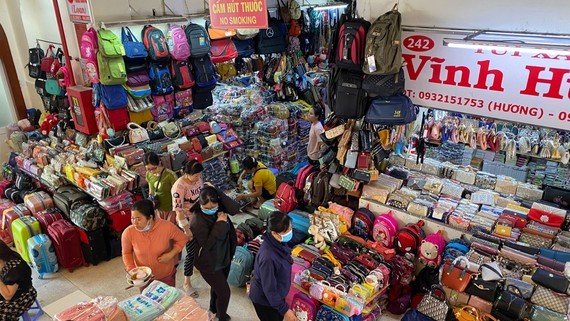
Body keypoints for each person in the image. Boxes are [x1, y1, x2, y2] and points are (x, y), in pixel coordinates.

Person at [190, 186, 237, 321]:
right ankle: (221, 317)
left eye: (213, 206)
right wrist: (220, 224)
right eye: (207, 207)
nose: (211, 210)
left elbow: (235, 209)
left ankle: (213, 309)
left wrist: (218, 191)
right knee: (224, 293)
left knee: (217, 287)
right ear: (200, 204)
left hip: (224, 256)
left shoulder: (220, 208)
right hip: (208, 263)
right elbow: (208, 245)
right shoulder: (197, 221)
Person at [121, 199, 186, 288]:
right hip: (144, 278)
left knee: (168, 299)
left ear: (150, 218)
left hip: (166, 274)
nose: (135, 223)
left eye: (138, 219)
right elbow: (126, 253)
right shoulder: (128, 232)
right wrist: (132, 270)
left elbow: (182, 239)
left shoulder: (166, 227)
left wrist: (170, 255)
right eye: (132, 218)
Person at [249, 211, 297, 321]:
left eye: (290, 228)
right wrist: (285, 309)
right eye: (287, 231)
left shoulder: (277, 241)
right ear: (274, 233)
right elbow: (270, 289)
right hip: (265, 301)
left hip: (276, 296)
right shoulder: (268, 257)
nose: (290, 232)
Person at [171, 160, 205, 297]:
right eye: (196, 176)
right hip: (188, 223)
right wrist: (186, 230)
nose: (198, 178)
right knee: (190, 252)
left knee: (201, 246)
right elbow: (179, 212)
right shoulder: (179, 187)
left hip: (200, 219)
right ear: (187, 174)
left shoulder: (198, 180)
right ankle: (187, 282)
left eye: (199, 175)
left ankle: (198, 266)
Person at [0, 240, 37, 321]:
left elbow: (8, 296)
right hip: (9, 290)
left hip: (22, 297)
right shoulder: (5, 259)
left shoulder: (14, 268)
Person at [144, 152, 178, 224]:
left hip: (171, 209)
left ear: (159, 163)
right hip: (158, 208)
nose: (152, 171)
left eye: (154, 168)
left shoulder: (170, 175)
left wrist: (178, 212)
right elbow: (151, 191)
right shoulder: (148, 174)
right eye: (148, 169)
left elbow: (177, 194)